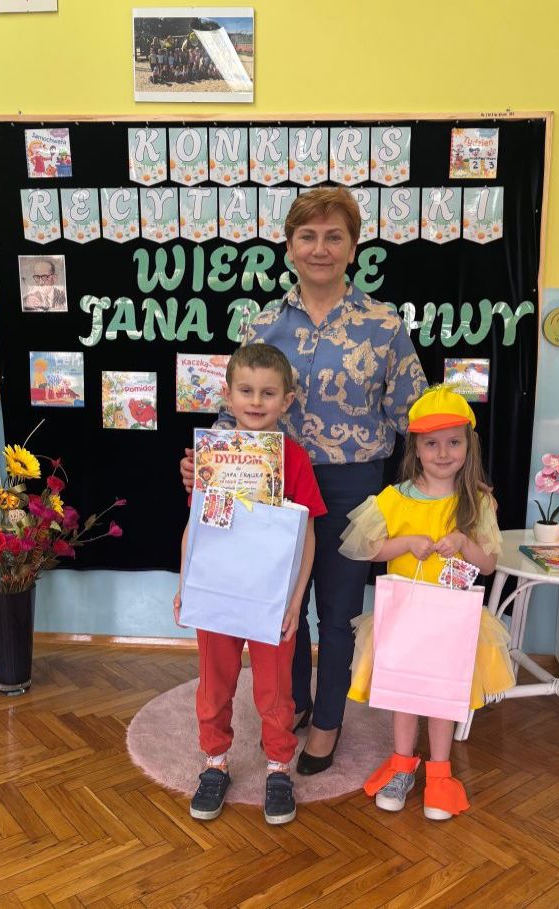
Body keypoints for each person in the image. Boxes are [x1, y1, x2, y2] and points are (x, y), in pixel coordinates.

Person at [180, 187, 427, 774]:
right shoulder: (264, 322)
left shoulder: (383, 325)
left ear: (353, 247)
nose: (321, 248)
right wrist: (207, 462)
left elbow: (415, 416)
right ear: (289, 246)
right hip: (269, 484)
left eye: (334, 236)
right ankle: (290, 704)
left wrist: (461, 478)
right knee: (277, 607)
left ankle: (327, 721)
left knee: (336, 612)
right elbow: (236, 404)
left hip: (351, 487)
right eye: (308, 236)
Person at [339, 385, 515, 820]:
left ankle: (439, 773)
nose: (443, 453)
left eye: (453, 442)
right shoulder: (395, 498)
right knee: (405, 695)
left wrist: (464, 544)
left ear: (468, 445)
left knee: (443, 697)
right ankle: (402, 766)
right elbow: (366, 549)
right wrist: (405, 543)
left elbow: (489, 564)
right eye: (431, 444)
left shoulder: (477, 502)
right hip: (405, 619)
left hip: (451, 624)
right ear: (416, 448)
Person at [174, 344, 327, 825]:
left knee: (275, 689)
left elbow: (307, 533)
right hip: (217, 589)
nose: (256, 402)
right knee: (214, 682)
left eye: (268, 393)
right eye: (246, 391)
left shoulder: (294, 459)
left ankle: (279, 768)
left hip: (271, 597)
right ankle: (214, 762)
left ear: (287, 400)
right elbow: (197, 524)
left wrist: (296, 600)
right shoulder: (213, 455)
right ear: (228, 395)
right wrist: (186, 584)